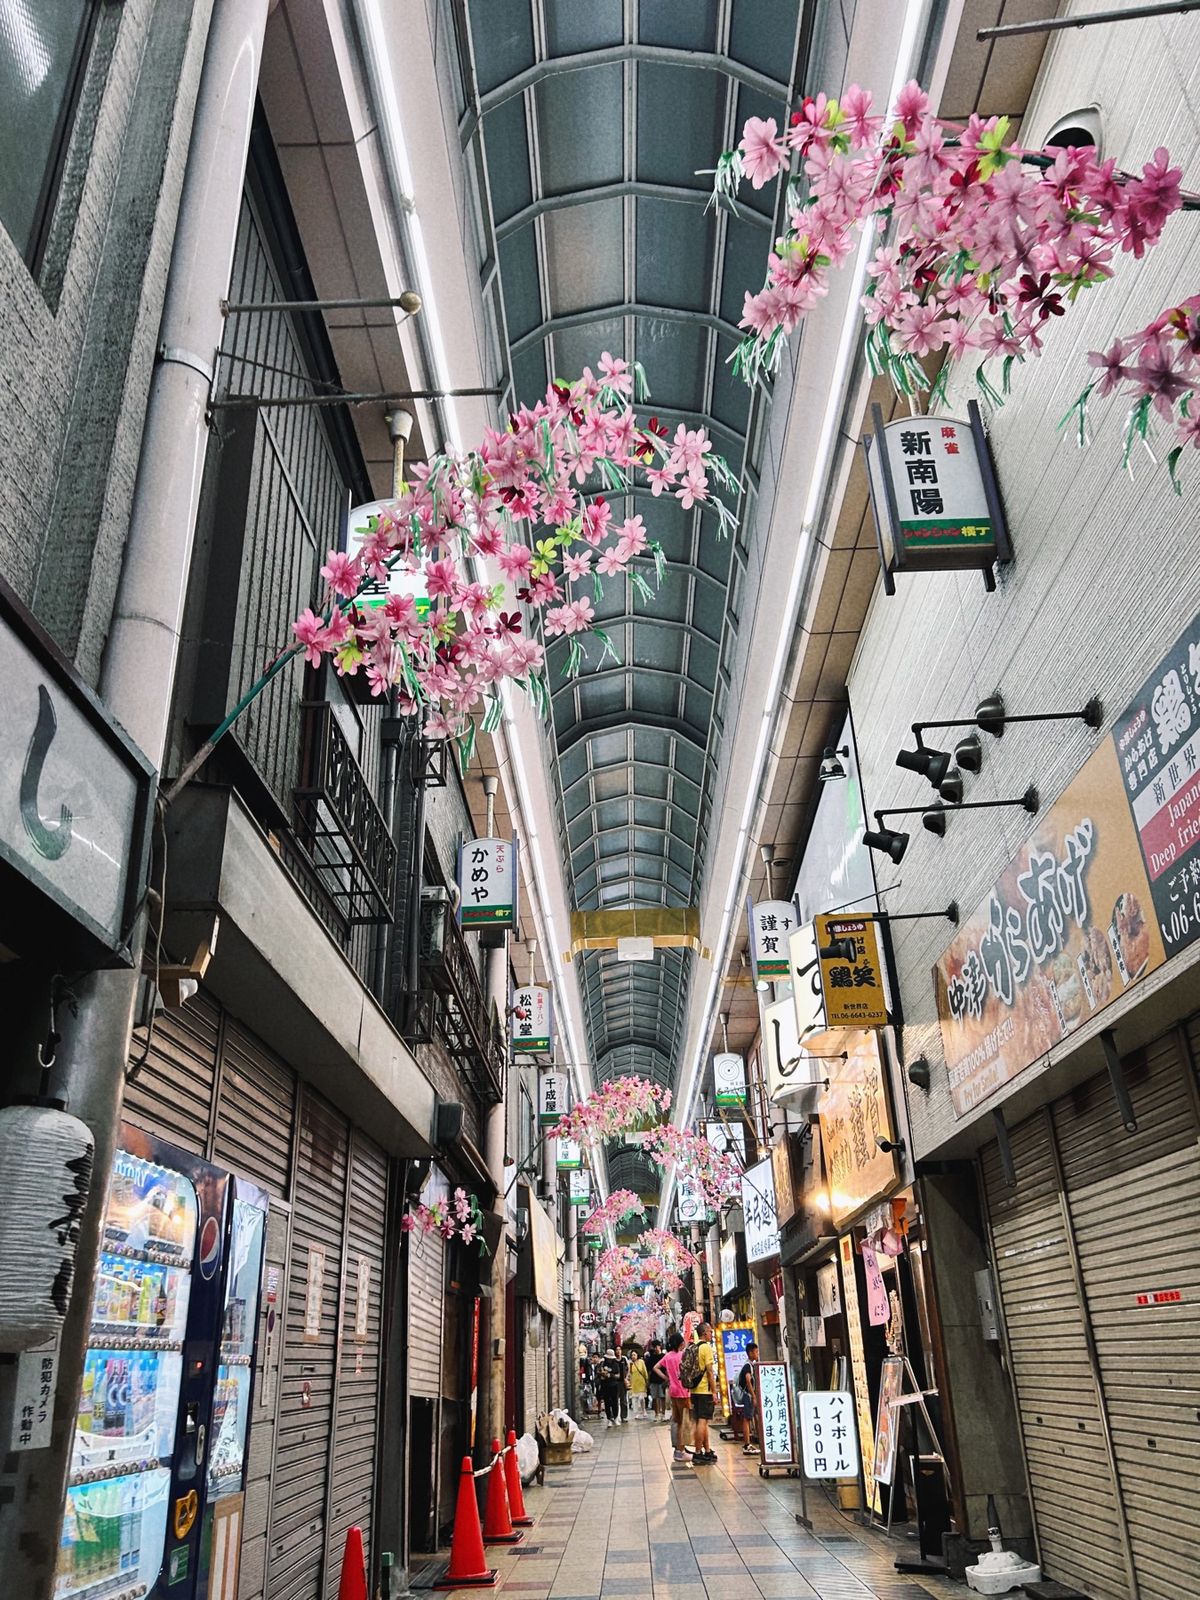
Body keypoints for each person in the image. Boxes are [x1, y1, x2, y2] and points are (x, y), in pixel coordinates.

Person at [659, 1331, 692, 1463]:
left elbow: (656, 1367)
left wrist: (667, 1378)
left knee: (677, 1420)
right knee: (684, 1421)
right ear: (680, 1343)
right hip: (683, 1391)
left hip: (673, 1390)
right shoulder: (682, 1356)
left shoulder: (668, 1356)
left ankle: (679, 1450)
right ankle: (680, 1450)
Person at [688, 1321, 717, 1463]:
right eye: (710, 1331)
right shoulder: (706, 1348)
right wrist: (714, 1392)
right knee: (702, 1421)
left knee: (701, 1421)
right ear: (704, 1333)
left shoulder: (693, 1347)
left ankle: (707, 1450)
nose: (712, 1334)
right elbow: (710, 1372)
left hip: (694, 1390)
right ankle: (698, 1452)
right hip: (704, 1390)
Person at [737, 1341, 759, 1453]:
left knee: (748, 1418)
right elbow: (748, 1380)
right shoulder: (748, 1366)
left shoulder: (749, 1365)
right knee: (747, 1419)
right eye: (755, 1352)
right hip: (748, 1396)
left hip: (748, 1395)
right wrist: (753, 1396)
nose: (757, 1354)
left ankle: (748, 1443)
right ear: (750, 1353)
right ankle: (747, 1444)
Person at [599, 1346, 626, 1426]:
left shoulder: (615, 1364)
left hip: (614, 1385)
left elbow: (618, 1375)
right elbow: (599, 1371)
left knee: (615, 1402)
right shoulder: (603, 1363)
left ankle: (615, 1417)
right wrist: (602, 1374)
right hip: (605, 1385)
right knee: (607, 1402)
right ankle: (609, 1418)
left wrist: (610, 1375)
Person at [643, 1338, 666, 1419]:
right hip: (653, 1380)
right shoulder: (651, 1358)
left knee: (662, 1397)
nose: (656, 1348)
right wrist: (648, 1381)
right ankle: (657, 1414)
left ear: (660, 1347)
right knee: (655, 1398)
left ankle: (663, 1413)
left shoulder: (664, 1357)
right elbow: (649, 1370)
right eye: (654, 1347)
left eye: (657, 1346)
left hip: (662, 1380)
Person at [628, 1348, 649, 1417]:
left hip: (641, 1382)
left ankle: (643, 1410)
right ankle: (637, 1413)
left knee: (641, 1398)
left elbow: (644, 1371)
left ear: (637, 1355)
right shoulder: (630, 1363)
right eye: (632, 1355)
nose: (633, 1356)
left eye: (634, 1355)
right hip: (634, 1383)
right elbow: (630, 1373)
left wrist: (647, 1379)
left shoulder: (641, 1362)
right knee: (634, 1400)